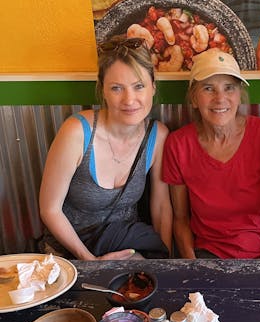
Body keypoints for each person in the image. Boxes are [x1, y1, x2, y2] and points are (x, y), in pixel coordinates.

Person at [39, 35, 172, 260]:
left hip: (125, 244)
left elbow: (160, 206)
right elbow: (49, 209)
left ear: (153, 87)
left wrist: (164, 261)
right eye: (117, 88)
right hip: (70, 249)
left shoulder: (157, 136)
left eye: (139, 86)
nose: (130, 100)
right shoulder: (77, 132)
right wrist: (90, 261)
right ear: (103, 91)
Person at [162, 48, 260, 259]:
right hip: (208, 254)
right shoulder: (178, 144)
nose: (220, 98)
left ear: (239, 95)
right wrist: (192, 264)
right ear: (194, 99)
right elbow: (180, 218)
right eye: (208, 88)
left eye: (229, 88)